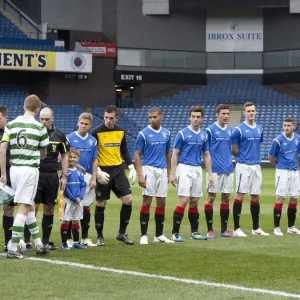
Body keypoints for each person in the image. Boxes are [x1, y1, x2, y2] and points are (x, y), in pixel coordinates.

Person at [0, 94, 49, 258]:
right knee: (25, 206)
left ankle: (39, 244)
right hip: (29, 169)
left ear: (24, 106)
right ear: (37, 109)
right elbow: (43, 153)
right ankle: (13, 247)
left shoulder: (11, 125)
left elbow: (2, 149)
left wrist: (3, 173)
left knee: (26, 205)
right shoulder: (40, 128)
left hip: (14, 169)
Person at [23, 107, 69, 251]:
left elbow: (65, 155)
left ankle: (45, 241)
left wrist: (64, 176)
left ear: (52, 119)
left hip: (51, 176)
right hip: (35, 173)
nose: (43, 122)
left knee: (49, 209)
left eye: (46, 119)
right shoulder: (32, 132)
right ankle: (27, 241)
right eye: (41, 119)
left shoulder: (60, 135)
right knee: (32, 208)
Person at [91, 105, 136, 246]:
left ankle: (121, 233)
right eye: (106, 117)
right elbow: (92, 154)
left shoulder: (121, 131)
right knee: (101, 203)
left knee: (128, 200)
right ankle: (100, 237)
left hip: (118, 170)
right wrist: (97, 171)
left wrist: (131, 166)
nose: (108, 121)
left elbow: (124, 150)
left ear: (116, 118)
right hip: (103, 171)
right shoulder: (96, 132)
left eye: (111, 118)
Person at [170, 105, 213, 242]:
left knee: (194, 202)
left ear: (202, 119)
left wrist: (210, 174)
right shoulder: (182, 134)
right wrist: (173, 173)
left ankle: (194, 232)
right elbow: (175, 154)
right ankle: (175, 233)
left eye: (198, 117)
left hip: (197, 169)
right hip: (184, 168)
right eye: (193, 116)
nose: (195, 119)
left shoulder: (204, 135)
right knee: (183, 200)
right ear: (189, 117)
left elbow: (206, 155)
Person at [134, 106, 174, 245]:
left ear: (161, 116)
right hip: (148, 169)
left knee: (162, 202)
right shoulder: (143, 134)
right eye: (150, 117)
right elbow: (137, 154)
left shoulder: (166, 133)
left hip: (162, 170)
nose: (152, 120)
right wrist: (140, 175)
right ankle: (144, 235)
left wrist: (169, 172)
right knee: (147, 201)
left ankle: (159, 235)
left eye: (154, 117)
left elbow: (168, 152)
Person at [232, 102, 269, 237]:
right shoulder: (239, 129)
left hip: (256, 166)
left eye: (253, 110)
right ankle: (236, 228)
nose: (251, 113)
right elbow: (234, 149)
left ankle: (256, 228)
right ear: (244, 113)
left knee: (255, 195)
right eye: (248, 111)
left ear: (255, 112)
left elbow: (257, 145)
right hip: (244, 166)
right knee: (240, 194)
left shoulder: (259, 128)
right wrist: (243, 158)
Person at [66, 112, 98, 247]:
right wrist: (76, 165)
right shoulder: (69, 138)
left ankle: (84, 238)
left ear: (90, 125)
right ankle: (67, 238)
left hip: (87, 177)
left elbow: (95, 160)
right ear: (78, 122)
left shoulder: (93, 140)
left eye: (86, 124)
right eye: (81, 123)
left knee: (86, 207)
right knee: (70, 207)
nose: (83, 126)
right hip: (72, 175)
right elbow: (63, 157)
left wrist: (94, 179)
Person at [204, 104, 235, 238]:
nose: (226, 116)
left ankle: (224, 230)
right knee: (211, 197)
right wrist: (209, 173)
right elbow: (205, 152)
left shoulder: (230, 130)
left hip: (228, 169)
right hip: (214, 170)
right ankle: (210, 229)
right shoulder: (210, 130)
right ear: (217, 114)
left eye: (227, 114)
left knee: (226, 198)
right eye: (223, 114)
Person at [268, 117, 300, 236]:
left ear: (294, 126)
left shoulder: (298, 138)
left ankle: (291, 227)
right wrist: (279, 166)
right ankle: (276, 227)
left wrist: (298, 169)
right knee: (280, 199)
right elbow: (271, 157)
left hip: (294, 172)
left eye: (288, 125)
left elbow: (298, 155)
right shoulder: (278, 140)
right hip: (282, 171)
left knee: (294, 199)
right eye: (285, 125)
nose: (286, 128)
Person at [60, 148, 87, 250]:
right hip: (68, 201)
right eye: (70, 157)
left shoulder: (79, 172)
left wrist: (80, 197)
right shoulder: (65, 172)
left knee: (76, 220)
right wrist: (72, 198)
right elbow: (64, 188)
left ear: (78, 159)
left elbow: (83, 185)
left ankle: (76, 242)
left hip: (78, 200)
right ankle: (64, 243)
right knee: (66, 221)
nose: (72, 159)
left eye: (74, 157)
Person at [0, 105, 15, 252]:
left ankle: (8, 242)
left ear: (5, 118)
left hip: (9, 175)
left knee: (8, 209)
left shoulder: (11, 133)